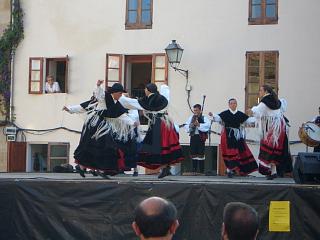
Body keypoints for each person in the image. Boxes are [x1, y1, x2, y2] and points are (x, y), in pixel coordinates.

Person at [63, 80, 138, 178]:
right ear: (114, 92)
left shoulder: (116, 104)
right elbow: (87, 103)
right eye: (120, 93)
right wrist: (98, 86)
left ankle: (95, 169)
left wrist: (132, 122)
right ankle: (86, 167)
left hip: (102, 125)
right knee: (95, 146)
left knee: (100, 146)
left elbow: (121, 116)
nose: (121, 95)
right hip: (95, 124)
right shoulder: (104, 97)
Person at [119, 83, 184, 178]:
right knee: (165, 145)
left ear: (148, 90)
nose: (145, 91)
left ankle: (165, 168)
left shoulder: (149, 100)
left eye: (145, 89)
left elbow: (134, 103)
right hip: (166, 123)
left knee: (157, 147)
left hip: (157, 124)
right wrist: (164, 87)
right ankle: (166, 168)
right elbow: (166, 91)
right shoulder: (162, 97)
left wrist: (121, 98)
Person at [248, 85, 292, 180]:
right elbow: (282, 107)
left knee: (267, 150)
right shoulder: (277, 100)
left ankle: (269, 171)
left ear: (265, 91)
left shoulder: (264, 102)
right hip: (280, 128)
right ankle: (273, 172)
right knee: (274, 151)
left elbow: (258, 112)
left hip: (273, 129)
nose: (259, 92)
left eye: (260, 90)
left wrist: (251, 111)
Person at [209, 99, 258, 177]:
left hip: (237, 136)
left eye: (234, 103)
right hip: (228, 135)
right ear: (229, 105)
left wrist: (257, 117)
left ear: (236, 104)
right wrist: (212, 115)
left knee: (241, 151)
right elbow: (218, 118)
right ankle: (229, 171)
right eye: (231, 103)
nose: (233, 105)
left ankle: (238, 170)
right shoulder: (225, 113)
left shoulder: (240, 114)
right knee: (229, 152)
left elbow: (248, 120)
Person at [185, 104, 211, 175]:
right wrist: (190, 125)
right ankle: (194, 169)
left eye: (196, 110)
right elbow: (186, 125)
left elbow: (208, 125)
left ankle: (201, 170)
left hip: (200, 137)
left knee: (200, 152)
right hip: (193, 136)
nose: (195, 112)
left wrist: (199, 125)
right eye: (194, 110)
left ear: (200, 110)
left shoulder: (203, 118)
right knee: (193, 152)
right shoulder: (191, 117)